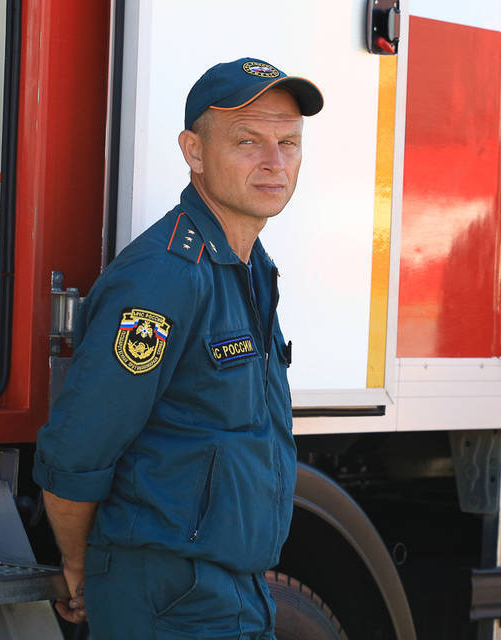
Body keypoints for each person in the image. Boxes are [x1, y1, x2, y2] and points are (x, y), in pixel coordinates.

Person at [32, 57, 323, 639]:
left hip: (232, 590)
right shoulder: (164, 276)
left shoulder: (249, 266)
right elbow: (76, 454)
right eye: (248, 141)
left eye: (288, 143)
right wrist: (77, 563)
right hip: (168, 597)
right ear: (193, 151)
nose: (275, 162)